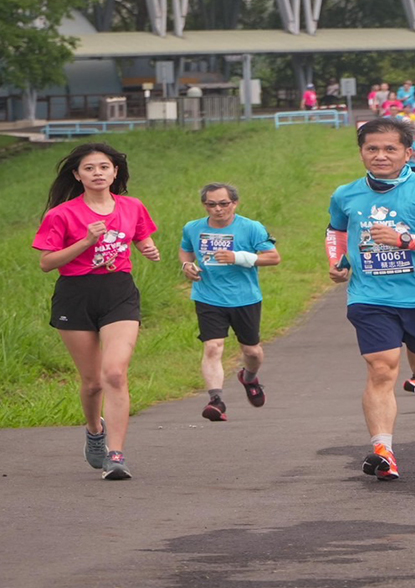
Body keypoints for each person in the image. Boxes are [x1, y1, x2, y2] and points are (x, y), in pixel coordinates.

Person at [326, 117, 415, 481]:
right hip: (370, 295)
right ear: (361, 152)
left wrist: (406, 240)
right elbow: (337, 230)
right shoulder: (346, 194)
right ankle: (383, 450)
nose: (380, 156)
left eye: (390, 148)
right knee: (382, 367)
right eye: (372, 148)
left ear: (408, 152)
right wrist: (337, 262)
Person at [32, 143, 160, 480]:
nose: (98, 173)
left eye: (104, 167)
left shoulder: (132, 206)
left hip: (118, 291)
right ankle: (94, 432)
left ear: (115, 172)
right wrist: (86, 242)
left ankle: (116, 456)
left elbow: (141, 237)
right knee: (92, 384)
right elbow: (46, 263)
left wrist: (146, 248)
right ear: (77, 175)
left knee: (115, 373)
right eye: (89, 168)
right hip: (76, 294)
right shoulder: (61, 214)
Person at [179, 183, 281, 422]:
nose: (217, 209)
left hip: (244, 298)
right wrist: (186, 265)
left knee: (252, 351)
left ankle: (249, 378)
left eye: (223, 204)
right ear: (204, 205)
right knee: (213, 346)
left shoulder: (251, 228)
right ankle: (216, 401)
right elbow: (186, 251)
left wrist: (238, 257)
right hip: (207, 296)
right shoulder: (193, 228)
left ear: (235, 203)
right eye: (211, 204)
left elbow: (273, 258)